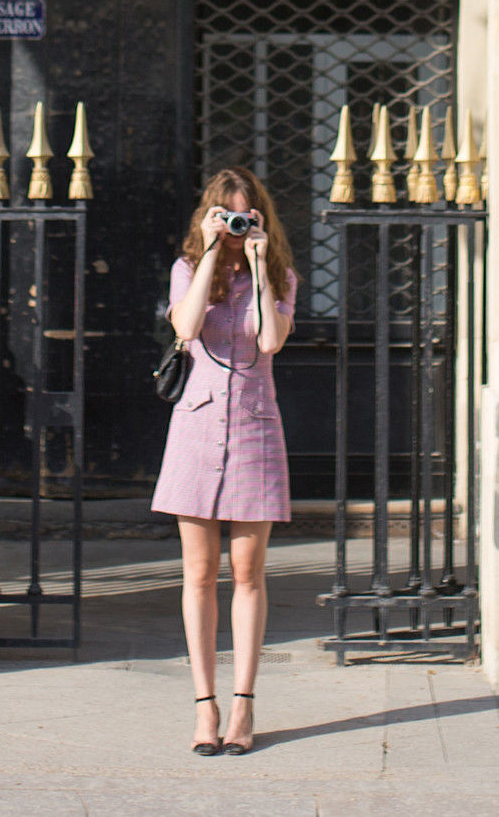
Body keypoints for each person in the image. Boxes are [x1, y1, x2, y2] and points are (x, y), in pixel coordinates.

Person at [152, 167, 295, 758]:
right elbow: (185, 326)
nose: (237, 226)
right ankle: (203, 706)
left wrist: (259, 266)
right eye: (227, 216)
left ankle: (243, 705)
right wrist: (212, 254)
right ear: (210, 217)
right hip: (196, 429)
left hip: (256, 430)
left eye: (246, 217)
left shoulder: (280, 274)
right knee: (198, 574)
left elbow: (268, 341)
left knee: (248, 573)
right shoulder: (189, 270)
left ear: (261, 218)